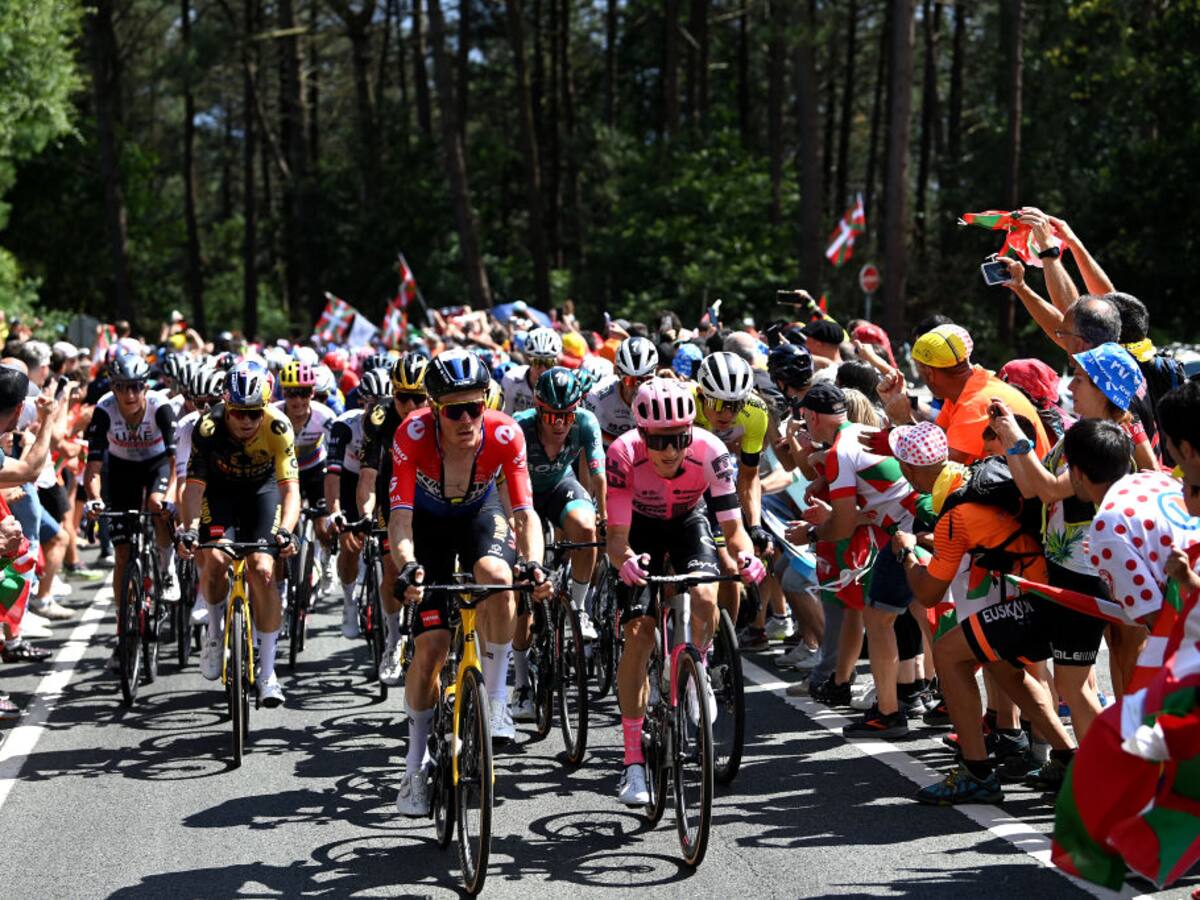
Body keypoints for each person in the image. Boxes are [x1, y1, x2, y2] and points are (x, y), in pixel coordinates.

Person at [389, 349, 553, 817]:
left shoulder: (504, 433)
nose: (465, 419)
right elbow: (400, 522)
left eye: (474, 407)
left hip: (480, 516)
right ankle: (414, 763)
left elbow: (524, 514)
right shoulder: (411, 434)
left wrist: (534, 564)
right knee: (432, 649)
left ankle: (497, 700)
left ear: (486, 401)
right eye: (452, 410)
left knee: (498, 577)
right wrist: (407, 566)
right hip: (428, 526)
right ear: (433, 409)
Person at [888, 421, 1077, 804]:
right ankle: (1067, 757)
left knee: (948, 653)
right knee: (998, 664)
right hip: (1053, 589)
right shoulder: (975, 478)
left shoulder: (953, 517)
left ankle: (977, 771)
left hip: (1035, 603)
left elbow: (927, 594)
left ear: (909, 470)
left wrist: (907, 551)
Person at [606, 377, 765, 806]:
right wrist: (625, 562)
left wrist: (747, 556)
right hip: (639, 530)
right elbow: (616, 538)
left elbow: (733, 528)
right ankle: (633, 763)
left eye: (679, 439)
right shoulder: (622, 453)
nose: (671, 451)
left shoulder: (711, 451)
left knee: (708, 596)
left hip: (688, 521)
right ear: (642, 435)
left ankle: (699, 668)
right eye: (659, 442)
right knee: (638, 636)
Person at [788, 383, 919, 736]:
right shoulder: (863, 429)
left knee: (877, 619)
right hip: (919, 520)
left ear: (813, 417)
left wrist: (811, 535)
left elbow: (843, 524)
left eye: (804, 418)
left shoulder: (841, 451)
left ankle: (889, 712)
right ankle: (924, 698)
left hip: (904, 532)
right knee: (926, 617)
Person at [177, 359, 300, 707]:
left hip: (262, 492)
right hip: (220, 494)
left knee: (262, 569)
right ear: (226, 408)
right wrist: (188, 530)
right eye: (238, 413)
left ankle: (268, 673)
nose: (246, 421)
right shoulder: (208, 427)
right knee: (214, 557)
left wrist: (287, 532)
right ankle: (215, 635)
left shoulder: (278, 427)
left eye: (254, 413)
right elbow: (194, 486)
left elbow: (290, 489)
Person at [507, 367, 606, 719]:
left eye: (566, 414)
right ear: (538, 407)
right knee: (521, 586)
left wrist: (604, 516)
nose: (560, 422)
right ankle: (520, 685)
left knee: (586, 528)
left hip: (559, 486)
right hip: (521, 495)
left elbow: (596, 475)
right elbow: (503, 482)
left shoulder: (585, 422)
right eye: (552, 415)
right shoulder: (519, 426)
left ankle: (578, 606)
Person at [83, 352, 180, 672]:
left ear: (145, 386)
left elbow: (174, 463)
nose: (130, 395)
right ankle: (123, 628)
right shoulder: (104, 410)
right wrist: (94, 500)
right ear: (113, 387)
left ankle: (166, 570)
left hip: (155, 466)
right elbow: (93, 468)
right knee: (123, 555)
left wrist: (168, 498)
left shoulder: (160, 407)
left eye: (136, 387)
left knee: (156, 506)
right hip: (121, 469)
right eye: (122, 387)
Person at [357, 353, 430, 684]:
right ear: (393, 394)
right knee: (391, 566)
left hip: (433, 488)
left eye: (419, 397)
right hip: (392, 489)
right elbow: (369, 475)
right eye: (404, 397)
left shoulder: (438, 414)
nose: (411, 404)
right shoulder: (379, 417)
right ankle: (392, 639)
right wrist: (366, 513)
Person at [880, 324, 1051, 464]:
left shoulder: (976, 403)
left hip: (1027, 503)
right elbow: (936, 439)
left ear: (928, 372)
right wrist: (903, 401)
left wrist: (903, 421)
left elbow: (936, 467)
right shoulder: (969, 387)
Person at [325, 366, 390, 638]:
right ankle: (350, 603)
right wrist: (336, 512)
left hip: (384, 481)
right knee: (349, 546)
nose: (377, 409)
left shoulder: (398, 423)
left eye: (384, 403)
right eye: (372, 403)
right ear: (362, 401)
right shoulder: (345, 425)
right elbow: (332, 474)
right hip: (351, 482)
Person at [584, 335, 659, 444]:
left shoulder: (662, 394)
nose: (637, 387)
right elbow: (588, 439)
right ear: (617, 374)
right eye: (630, 380)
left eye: (645, 379)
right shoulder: (596, 396)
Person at [501, 327, 562, 414]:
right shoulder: (511, 379)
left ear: (557, 362)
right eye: (537, 362)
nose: (543, 369)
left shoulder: (564, 384)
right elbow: (506, 417)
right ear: (527, 359)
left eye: (549, 363)